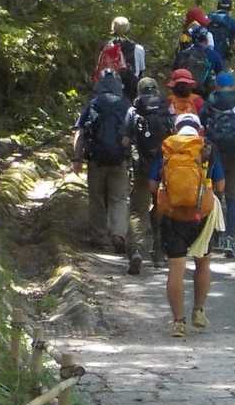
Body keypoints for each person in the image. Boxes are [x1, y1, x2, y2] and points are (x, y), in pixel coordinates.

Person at [150, 112, 226, 337]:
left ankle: (178, 322)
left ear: (176, 130)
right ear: (199, 130)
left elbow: (153, 186)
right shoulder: (207, 148)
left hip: (173, 215)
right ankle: (199, 311)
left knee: (176, 268)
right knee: (203, 263)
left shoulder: (167, 149)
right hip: (202, 215)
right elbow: (221, 185)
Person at [71, 70, 132, 256]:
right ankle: (118, 234)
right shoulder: (125, 105)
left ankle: (99, 237)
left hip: (96, 160)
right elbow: (132, 133)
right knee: (119, 199)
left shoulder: (93, 104)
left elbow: (80, 133)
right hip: (119, 160)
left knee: (96, 198)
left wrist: (77, 159)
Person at [203, 72, 235, 258]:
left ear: (217, 85)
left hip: (215, 152)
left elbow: (202, 121)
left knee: (214, 194)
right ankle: (229, 238)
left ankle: (213, 235)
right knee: (233, 197)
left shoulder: (211, 100)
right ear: (232, 85)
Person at [128, 77, 173, 269]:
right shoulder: (166, 108)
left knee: (138, 209)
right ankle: (159, 252)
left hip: (142, 166)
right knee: (161, 206)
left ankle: (136, 250)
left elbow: (126, 139)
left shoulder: (133, 110)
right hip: (164, 166)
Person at [94, 16, 145, 100]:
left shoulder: (106, 47)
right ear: (128, 29)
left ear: (113, 29)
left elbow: (100, 69)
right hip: (131, 89)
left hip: (110, 88)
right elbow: (141, 71)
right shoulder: (138, 48)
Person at [172, 25, 222, 96]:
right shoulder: (214, 55)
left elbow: (174, 73)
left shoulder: (182, 54)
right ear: (207, 39)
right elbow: (220, 75)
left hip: (182, 93)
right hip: (203, 93)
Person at [207, 0, 235, 69]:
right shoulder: (233, 23)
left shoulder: (207, 19)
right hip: (223, 60)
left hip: (206, 58)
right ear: (230, 9)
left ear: (218, 7)